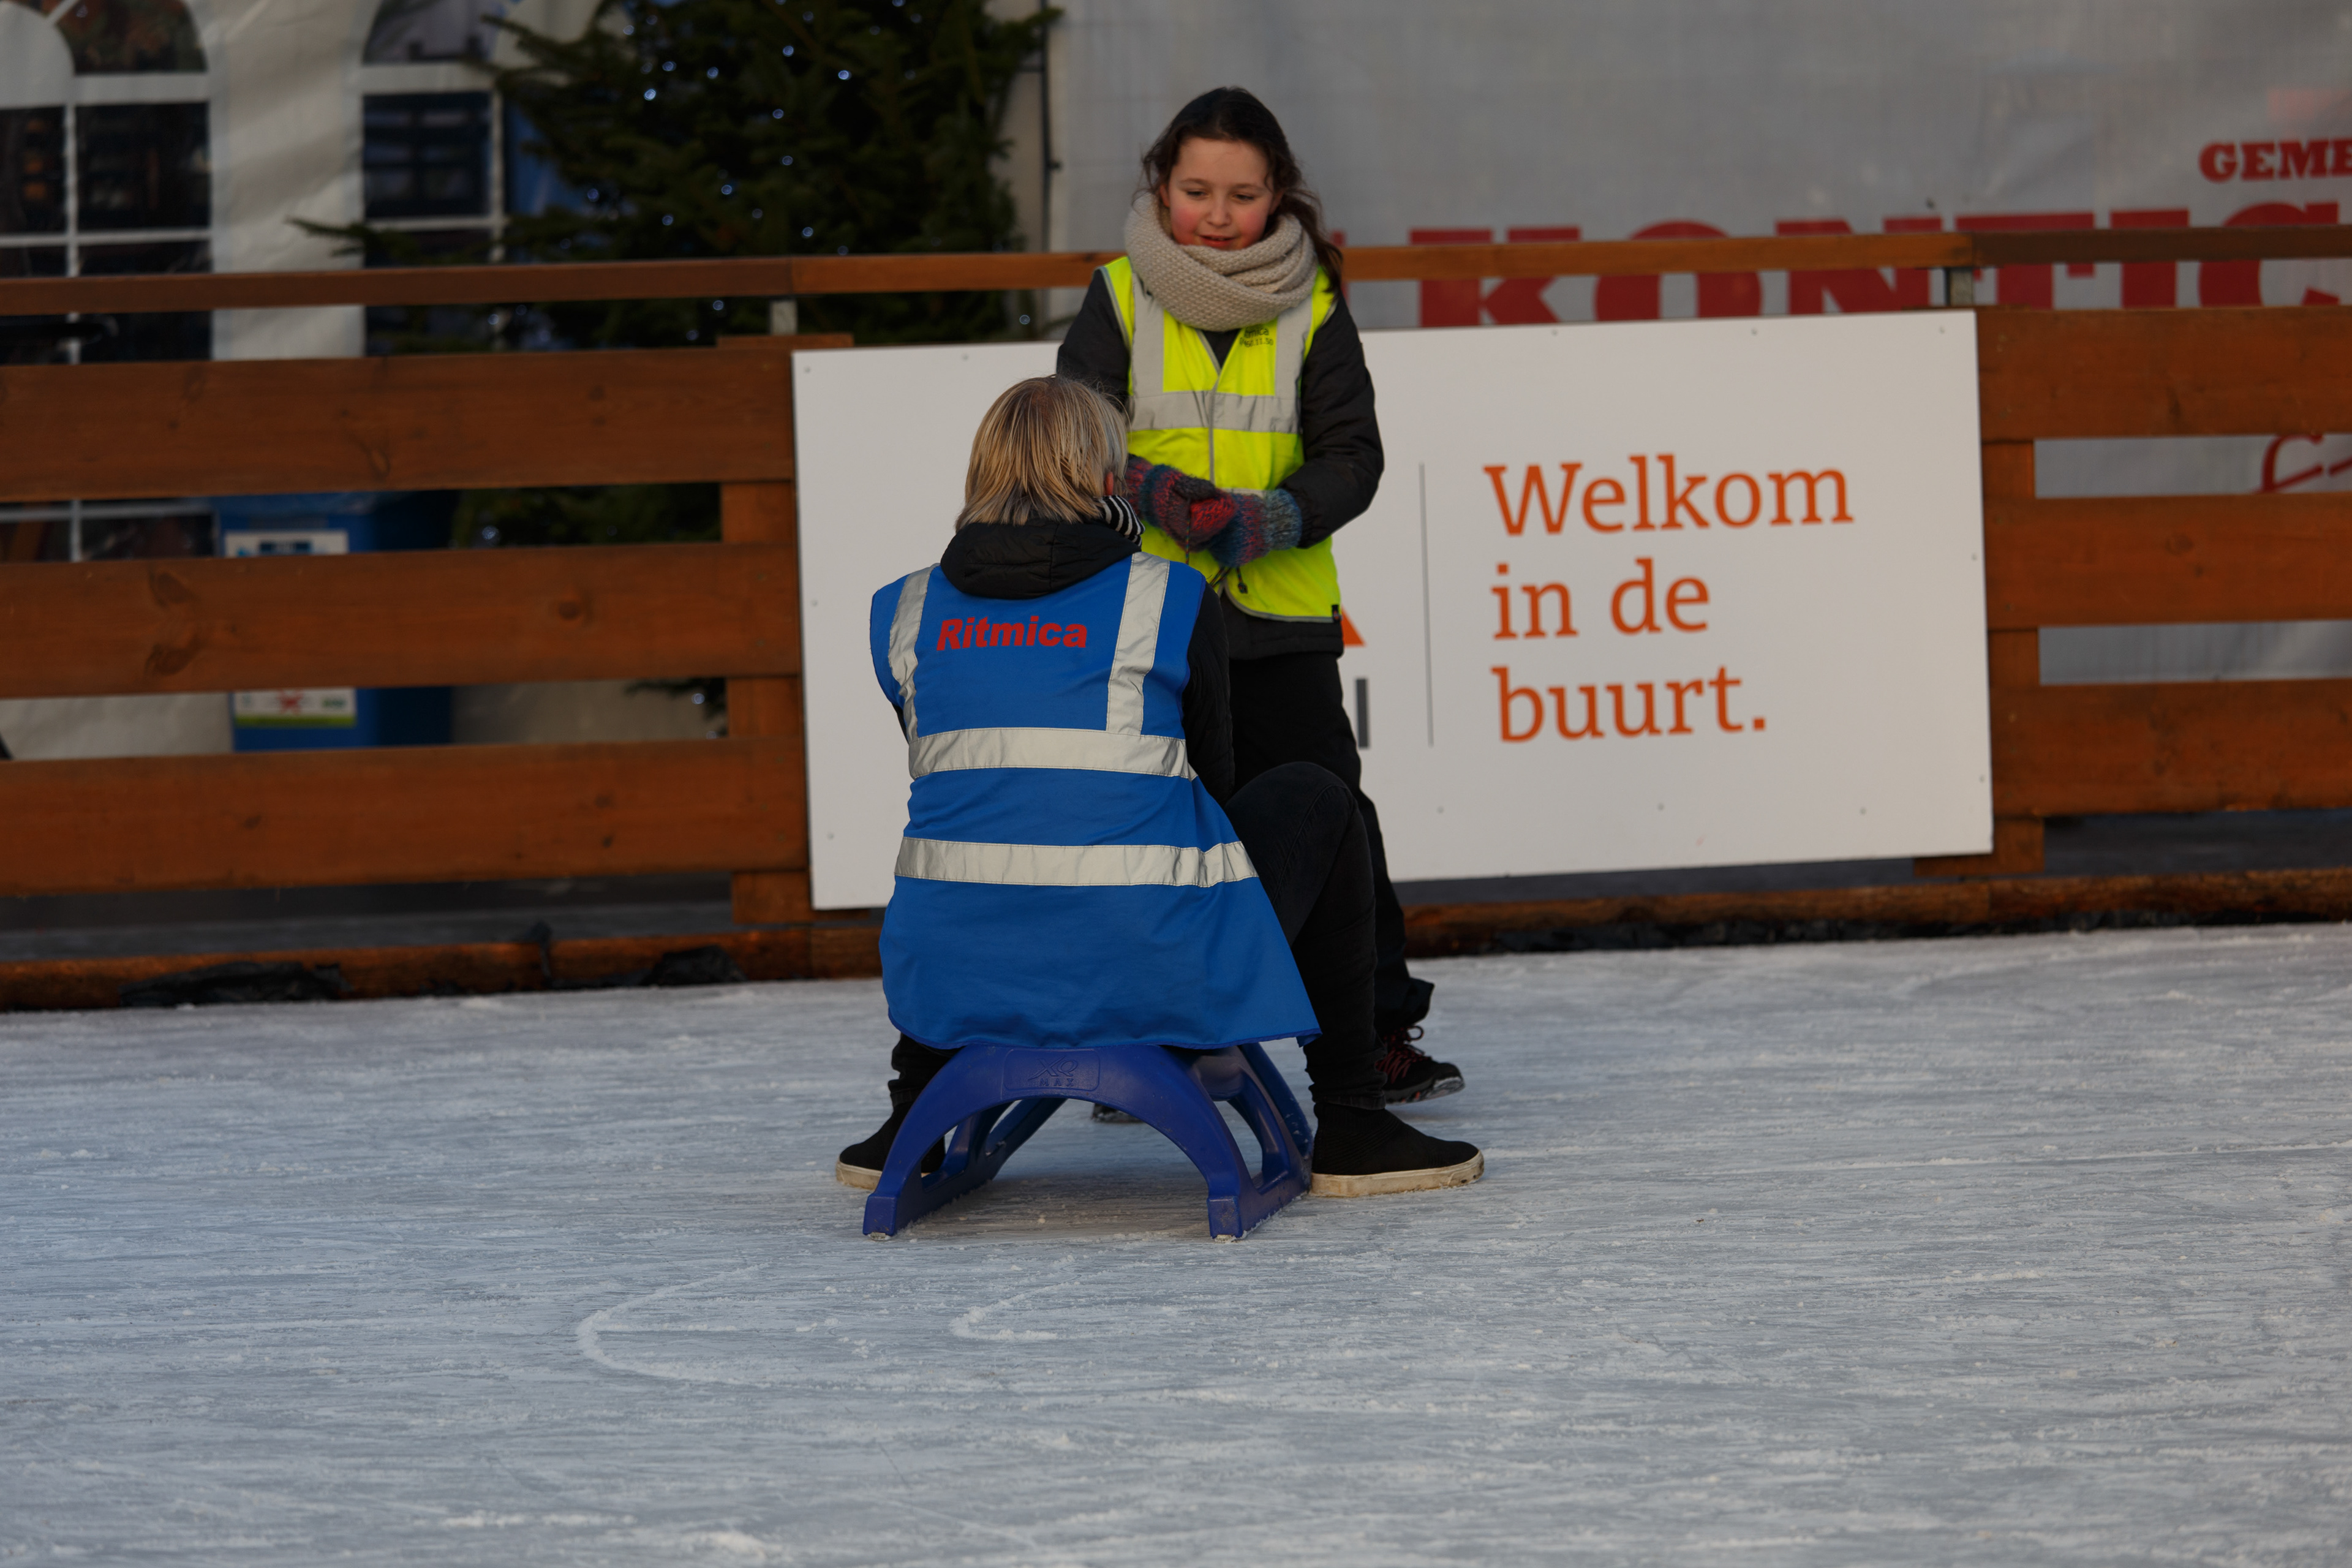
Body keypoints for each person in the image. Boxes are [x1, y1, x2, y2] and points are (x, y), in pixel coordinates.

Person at [835, 376, 1480, 1198]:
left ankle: (910, 1117)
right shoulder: (1167, 598)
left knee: (985, 832)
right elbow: (1214, 786)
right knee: (1319, 797)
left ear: (980, 476)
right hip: (1150, 972)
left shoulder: (905, 609)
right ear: (1110, 480)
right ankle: (1353, 1118)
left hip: (953, 977)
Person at [1057, 86, 1461, 1106]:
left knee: (1335, 824)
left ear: (1279, 193)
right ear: (1163, 185)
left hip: (1280, 621)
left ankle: (1373, 1039)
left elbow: (1354, 458)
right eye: (1198, 191)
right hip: (1146, 618)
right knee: (1148, 828)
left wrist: (1267, 519)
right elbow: (1074, 442)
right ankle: (1147, 1045)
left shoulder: (1314, 301)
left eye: (1242, 194)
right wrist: (1155, 492)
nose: (1218, 214)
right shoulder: (1117, 295)